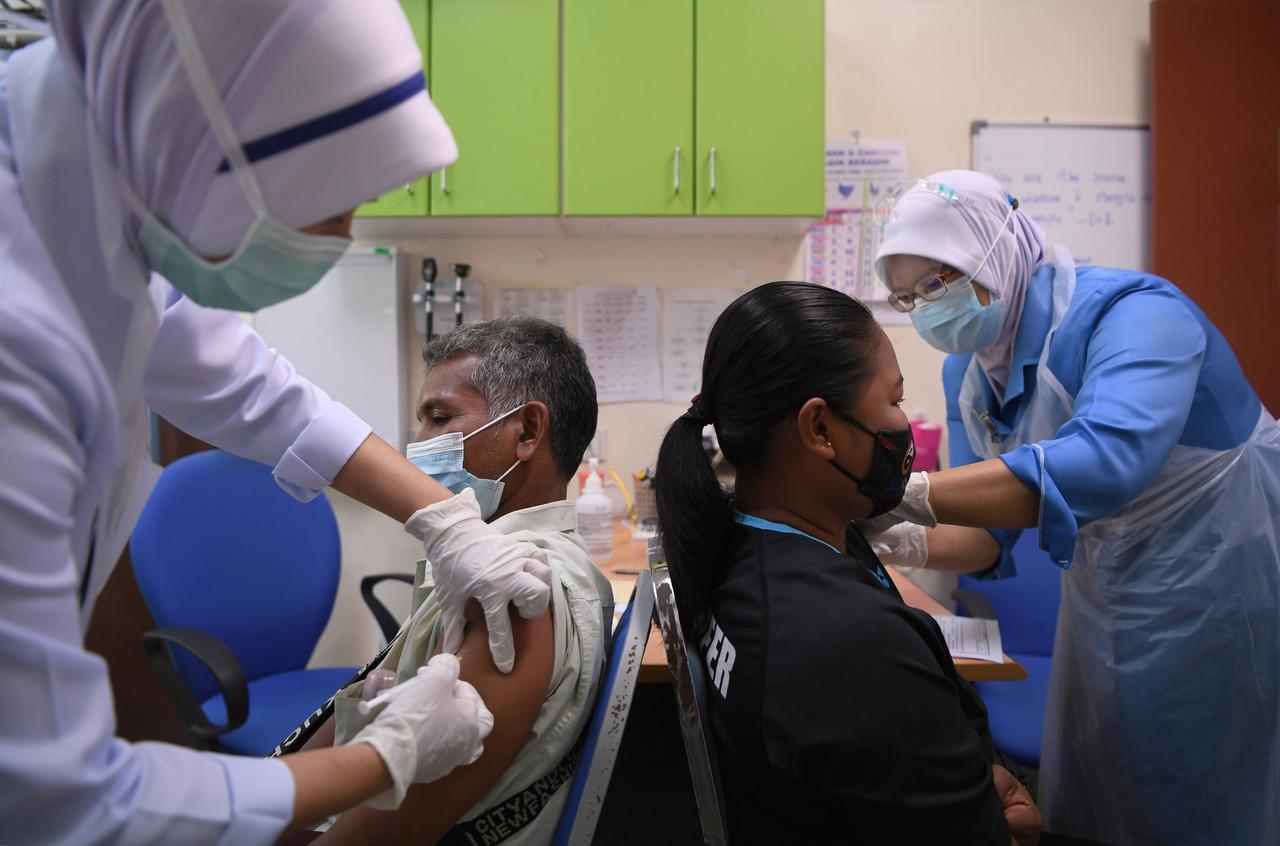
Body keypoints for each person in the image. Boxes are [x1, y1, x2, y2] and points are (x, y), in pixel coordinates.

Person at [0, 3, 553, 843]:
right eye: (329, 204)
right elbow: (58, 798)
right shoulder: (19, 347)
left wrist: (443, 520)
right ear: (199, 144)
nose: (343, 235)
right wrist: (387, 757)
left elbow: (256, 390)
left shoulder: (104, 191)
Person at [868, 170, 1280, 845]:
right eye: (907, 297)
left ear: (992, 250)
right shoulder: (969, 368)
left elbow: (1105, 463)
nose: (926, 310)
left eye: (937, 284)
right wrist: (896, 538)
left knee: (1207, 785)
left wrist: (899, 495)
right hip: (1110, 583)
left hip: (1225, 573)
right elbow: (989, 535)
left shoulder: (1138, 314)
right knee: (1113, 776)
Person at [654, 282, 1042, 845]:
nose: (902, 424)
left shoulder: (741, 546)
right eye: (895, 401)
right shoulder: (848, 640)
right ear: (819, 429)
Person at [299, 316, 613, 845]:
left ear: (528, 432)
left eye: (439, 418)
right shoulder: (498, 563)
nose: (415, 447)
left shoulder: (512, 589)